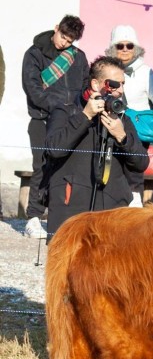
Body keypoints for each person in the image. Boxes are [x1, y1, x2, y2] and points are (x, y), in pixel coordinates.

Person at [42, 56, 147, 236]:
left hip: (112, 213)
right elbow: (54, 150)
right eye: (115, 84)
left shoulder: (122, 119)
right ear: (96, 84)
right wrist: (85, 117)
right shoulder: (66, 111)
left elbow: (141, 164)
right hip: (71, 212)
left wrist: (121, 136)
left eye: (123, 84)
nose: (121, 90)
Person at [22, 14, 88, 239]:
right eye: (63, 37)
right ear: (56, 28)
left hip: (71, 119)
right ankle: (33, 218)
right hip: (43, 117)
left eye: (70, 41)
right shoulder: (35, 53)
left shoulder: (78, 58)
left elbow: (85, 85)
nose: (64, 43)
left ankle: (61, 216)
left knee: (68, 167)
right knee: (41, 165)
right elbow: (32, 88)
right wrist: (57, 107)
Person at [107, 24, 153, 206]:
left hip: (136, 134)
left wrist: (141, 118)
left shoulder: (146, 72)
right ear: (112, 48)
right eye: (120, 46)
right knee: (113, 171)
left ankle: (135, 211)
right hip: (110, 127)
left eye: (129, 45)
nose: (125, 50)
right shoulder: (107, 69)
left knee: (134, 174)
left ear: (136, 48)